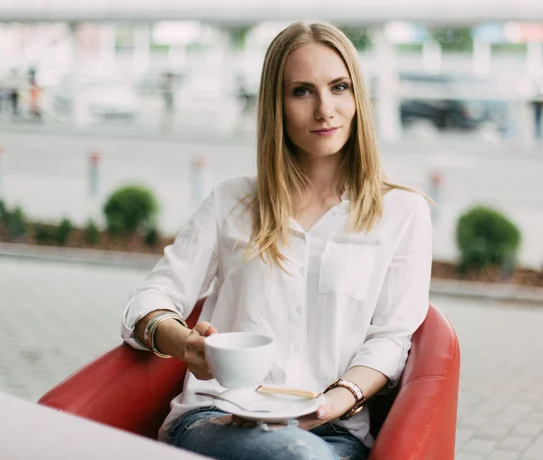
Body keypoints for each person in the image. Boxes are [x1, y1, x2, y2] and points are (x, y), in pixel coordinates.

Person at [121, 22, 433, 460]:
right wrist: (182, 342)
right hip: (217, 418)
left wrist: (328, 404)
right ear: (277, 106)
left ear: (358, 97)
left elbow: (390, 339)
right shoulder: (231, 201)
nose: (325, 109)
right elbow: (151, 298)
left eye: (339, 87)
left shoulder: (403, 213)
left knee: (306, 453)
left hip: (335, 432)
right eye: (302, 91)